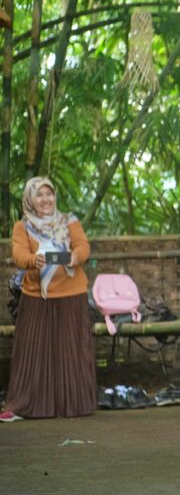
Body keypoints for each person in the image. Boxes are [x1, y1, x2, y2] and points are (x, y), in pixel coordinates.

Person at [0, 177, 93, 422]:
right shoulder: (22, 226)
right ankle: (24, 405)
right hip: (35, 295)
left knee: (69, 349)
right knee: (32, 350)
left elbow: (83, 245)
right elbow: (19, 254)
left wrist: (75, 256)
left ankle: (73, 404)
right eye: (39, 195)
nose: (45, 199)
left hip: (71, 293)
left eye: (48, 194)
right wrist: (34, 260)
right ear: (30, 199)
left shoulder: (68, 220)